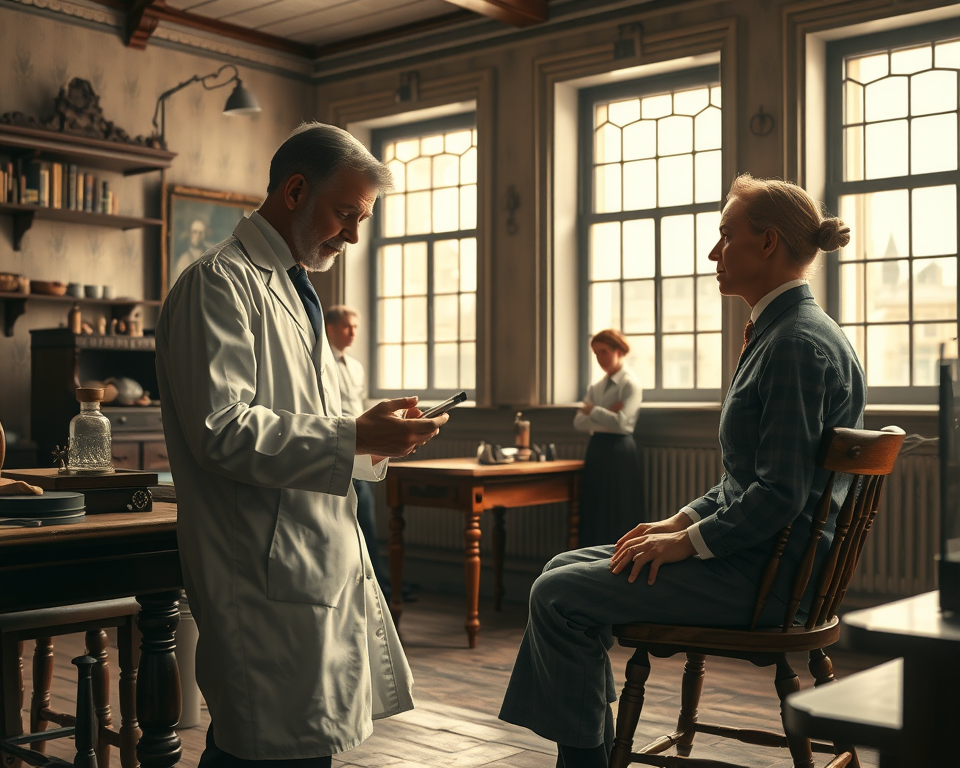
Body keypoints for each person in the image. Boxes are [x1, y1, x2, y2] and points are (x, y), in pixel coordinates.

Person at [498, 174, 865, 768]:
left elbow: (778, 494)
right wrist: (675, 522)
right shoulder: (783, 332)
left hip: (767, 581)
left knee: (557, 594)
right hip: (763, 563)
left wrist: (685, 546)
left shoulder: (795, 343)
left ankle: (584, 759)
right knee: (562, 565)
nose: (714, 253)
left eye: (726, 236)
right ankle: (587, 742)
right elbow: (747, 479)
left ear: (767, 243)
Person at [155, 122, 448, 768]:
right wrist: (349, 434)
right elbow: (223, 430)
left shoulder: (294, 287)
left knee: (296, 749)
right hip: (258, 571)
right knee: (262, 749)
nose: (353, 234)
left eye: (361, 218)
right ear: (293, 190)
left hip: (306, 560)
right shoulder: (218, 284)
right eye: (346, 213)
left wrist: (370, 434)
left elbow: (298, 419)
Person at [323, 304, 391, 594]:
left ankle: (379, 584)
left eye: (355, 327)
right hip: (338, 446)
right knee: (349, 521)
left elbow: (359, 406)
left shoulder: (356, 367)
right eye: (347, 327)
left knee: (368, 521)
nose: (353, 333)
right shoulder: (321, 363)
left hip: (361, 448)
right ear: (330, 329)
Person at [573, 329, 644, 546]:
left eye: (604, 352)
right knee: (596, 508)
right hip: (597, 449)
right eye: (596, 353)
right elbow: (578, 423)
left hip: (620, 452)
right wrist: (607, 412)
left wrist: (593, 411)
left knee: (619, 509)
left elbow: (621, 423)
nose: (599, 358)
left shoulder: (630, 384)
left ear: (619, 351)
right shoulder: (596, 387)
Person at [171, 217, 212, 286]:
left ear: (204, 235)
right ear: (190, 234)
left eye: (200, 233)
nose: (197, 235)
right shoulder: (183, 261)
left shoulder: (211, 257)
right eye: (194, 232)